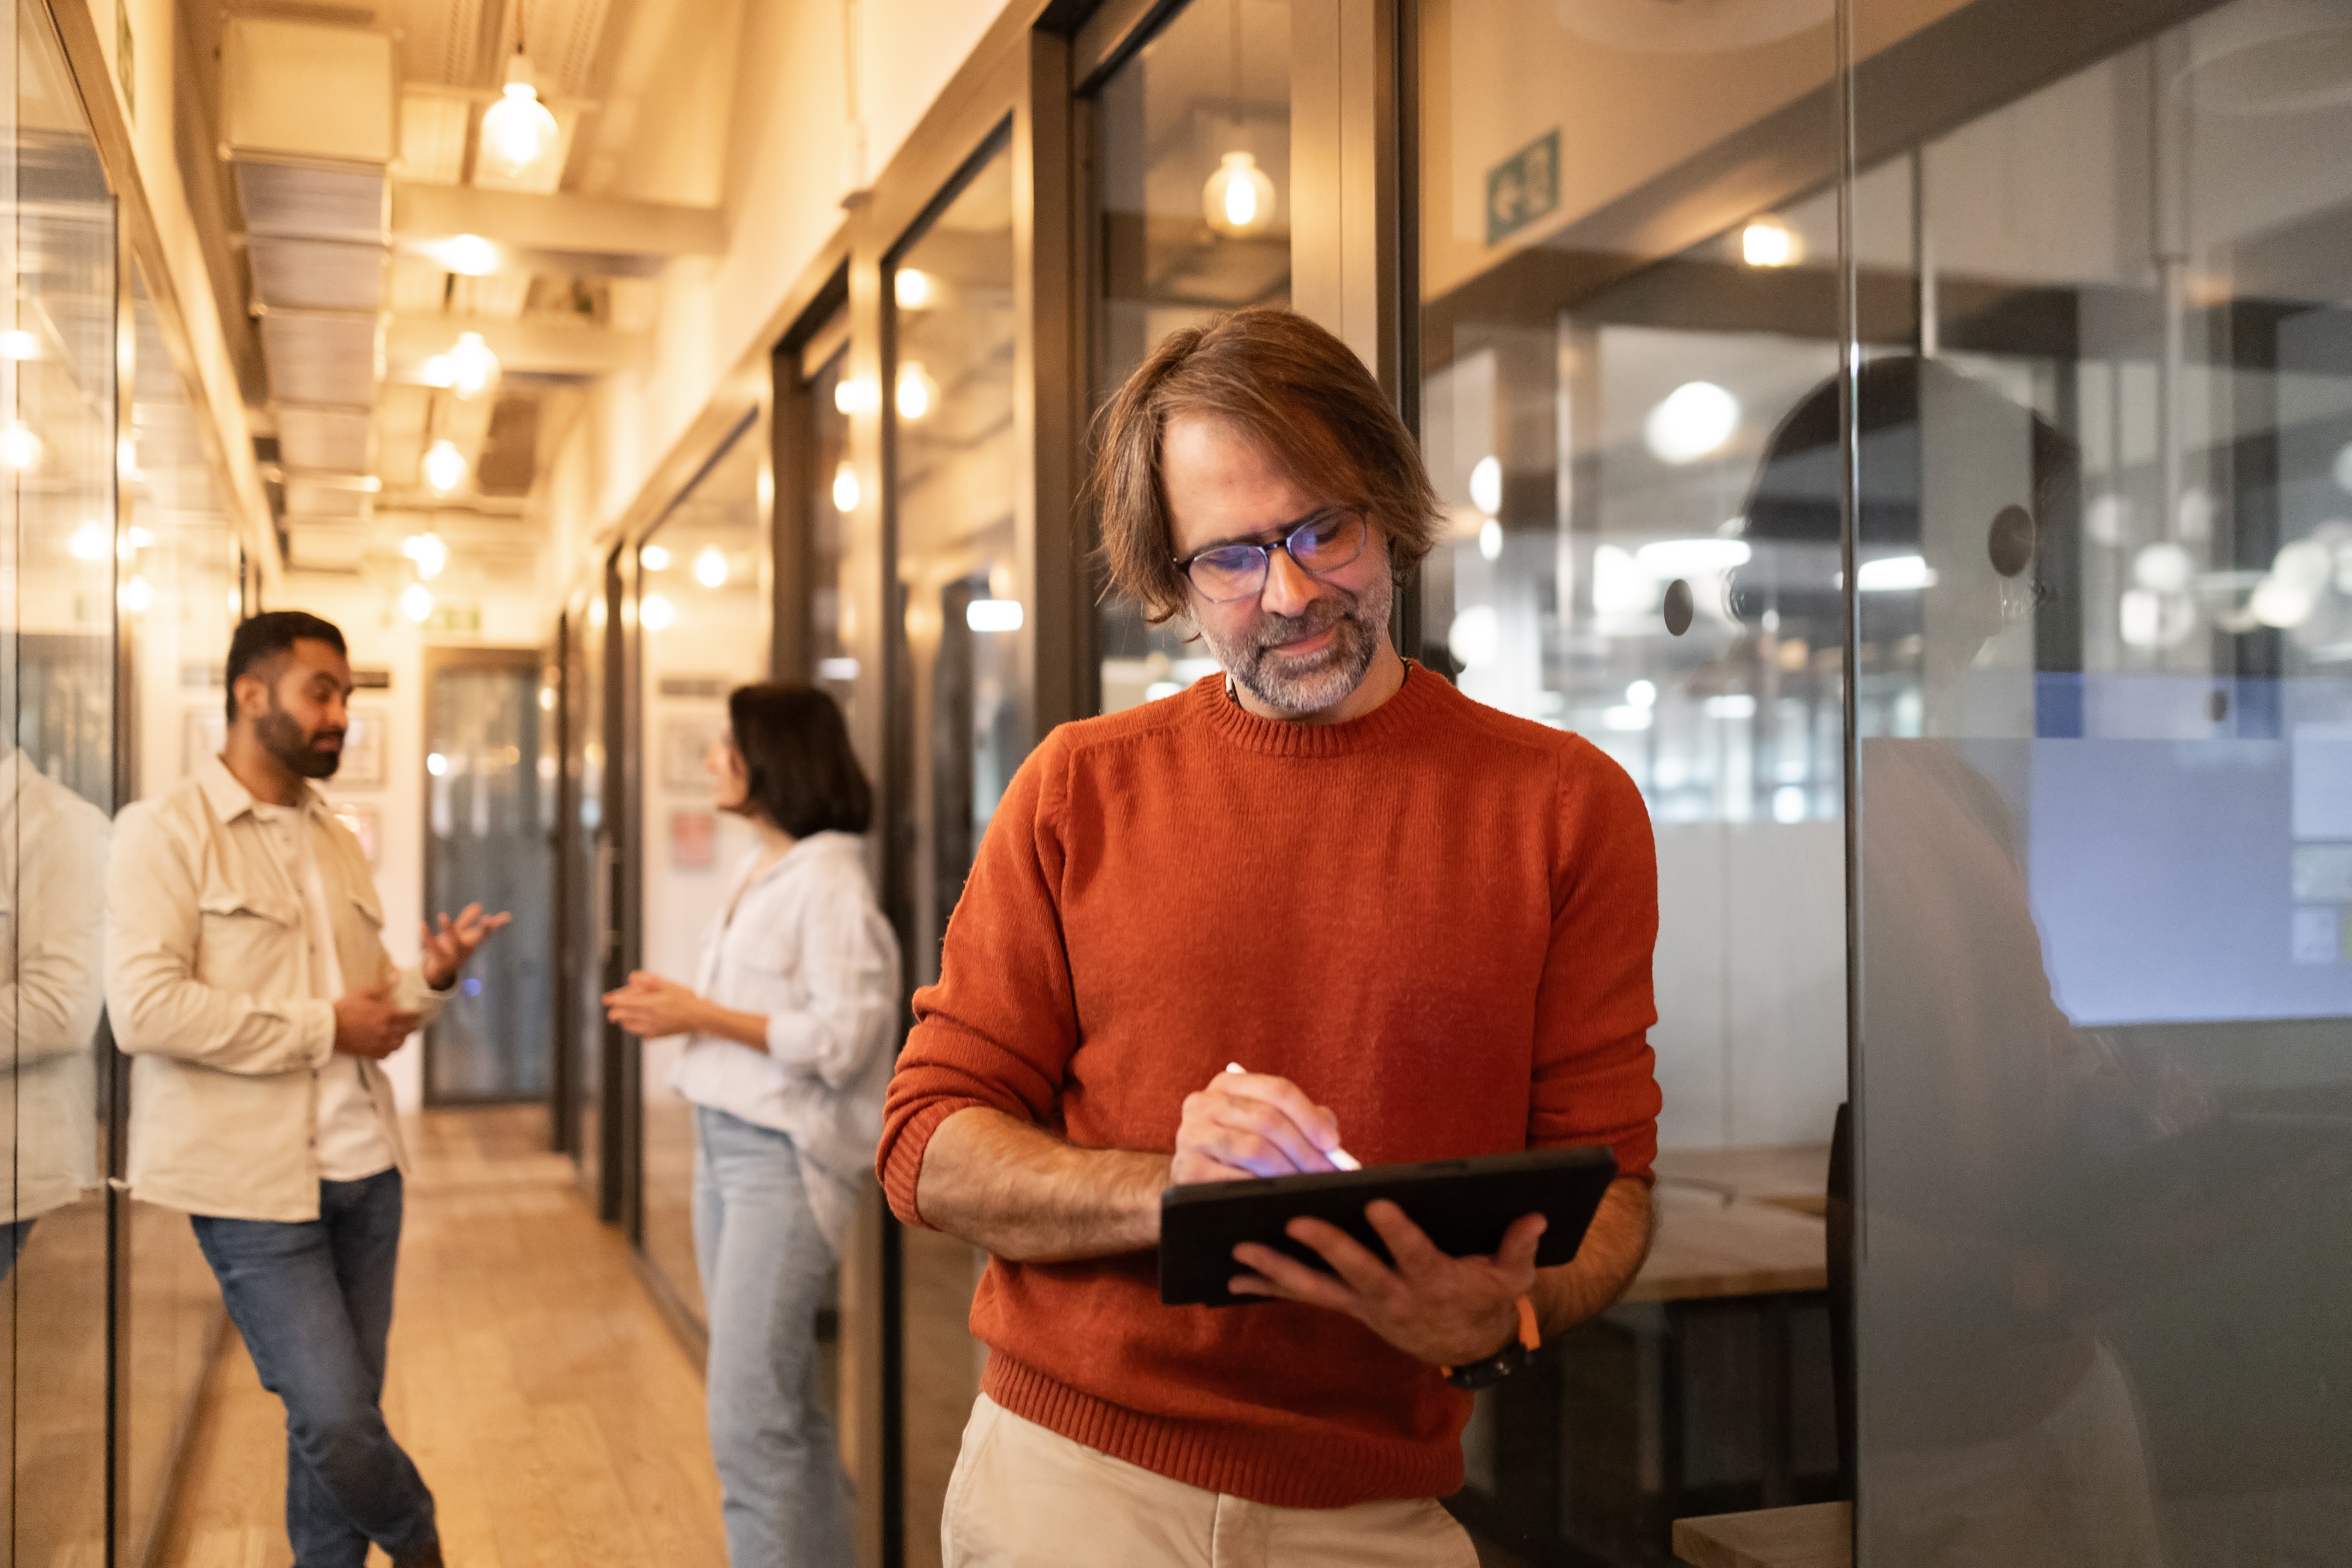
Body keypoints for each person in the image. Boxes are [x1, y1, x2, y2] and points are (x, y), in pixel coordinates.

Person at [879, 307, 1663, 1567]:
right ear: (1170, 581)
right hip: (1074, 1482)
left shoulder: (1567, 809)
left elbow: (1615, 1185)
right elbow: (926, 1145)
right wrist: (1168, 1191)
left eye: (1322, 530)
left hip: (1379, 1508)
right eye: (1231, 558)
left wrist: (1500, 1318)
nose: (1291, 593)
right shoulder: (1080, 788)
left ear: (1388, 508)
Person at [105, 612, 507, 1568]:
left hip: (370, 1172)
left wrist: (434, 979)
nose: (340, 717)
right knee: (332, 1419)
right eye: (321, 692)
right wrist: (331, 1024)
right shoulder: (162, 832)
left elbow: (369, 1006)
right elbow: (146, 1012)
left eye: (348, 698)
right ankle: (416, 1534)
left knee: (336, 1423)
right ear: (252, 694)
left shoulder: (334, 838)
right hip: (250, 1189)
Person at [603, 683, 898, 1568]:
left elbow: (846, 1040)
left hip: (782, 1160)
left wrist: (702, 1014)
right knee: (781, 1409)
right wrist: (693, 1007)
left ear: (773, 758)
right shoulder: (763, 868)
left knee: (748, 1422)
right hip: (725, 1147)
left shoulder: (832, 881)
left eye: (725, 746)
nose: (710, 762)